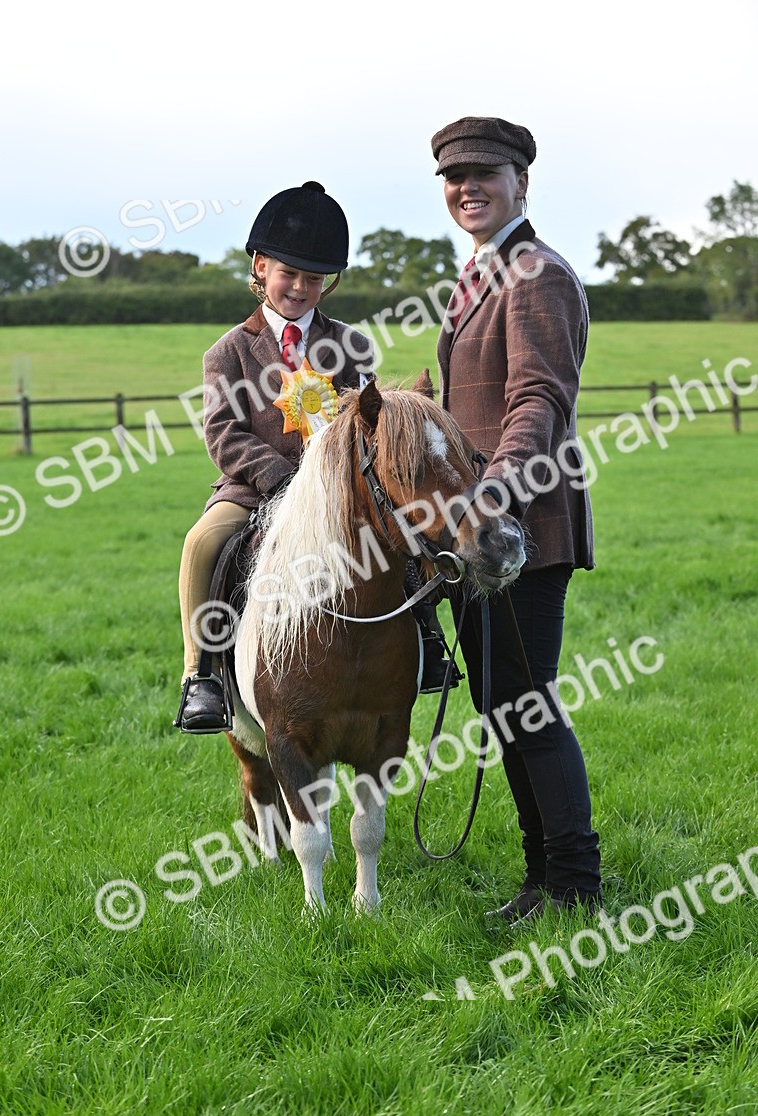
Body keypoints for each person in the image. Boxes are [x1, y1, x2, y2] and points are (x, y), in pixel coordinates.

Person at [175, 180, 455, 733]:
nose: (300, 287)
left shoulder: (351, 345)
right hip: (256, 490)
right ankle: (201, 675)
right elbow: (223, 434)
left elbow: (374, 423)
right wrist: (284, 478)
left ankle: (426, 635)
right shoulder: (228, 352)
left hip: (347, 491)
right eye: (289, 274)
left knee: (404, 530)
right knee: (202, 542)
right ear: (260, 267)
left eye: (313, 278)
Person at [430, 116, 602, 918]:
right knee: (501, 709)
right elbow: (468, 401)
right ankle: (541, 879)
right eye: (453, 177)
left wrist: (490, 494)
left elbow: (538, 402)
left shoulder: (536, 274)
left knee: (528, 710)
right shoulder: (479, 276)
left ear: (521, 183)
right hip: (477, 535)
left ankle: (574, 884)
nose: (467, 188)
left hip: (520, 526)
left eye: (484, 174)